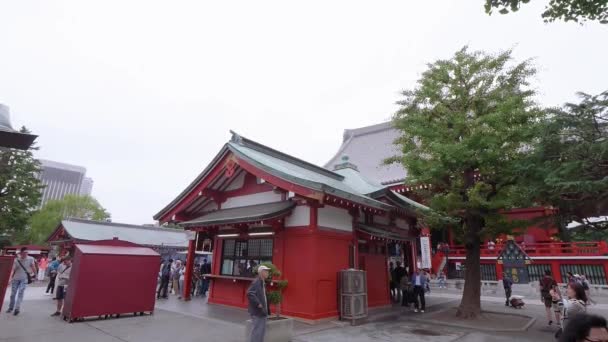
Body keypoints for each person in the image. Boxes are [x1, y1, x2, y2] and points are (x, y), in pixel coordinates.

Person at [6, 247, 36, 316]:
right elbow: (13, 270)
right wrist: (10, 279)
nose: (26, 254)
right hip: (15, 279)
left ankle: (17, 308)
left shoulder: (31, 259)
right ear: (21, 253)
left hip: (24, 279)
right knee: (13, 294)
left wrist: (35, 275)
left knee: (20, 292)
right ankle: (11, 307)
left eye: (27, 252)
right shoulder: (16, 260)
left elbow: (33, 267)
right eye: (24, 252)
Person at [247, 265, 270, 342]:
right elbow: (250, 293)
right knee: (257, 332)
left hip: (262, 312)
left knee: (261, 332)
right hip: (257, 312)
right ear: (261, 272)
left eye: (268, 271)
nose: (268, 273)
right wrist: (259, 304)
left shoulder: (262, 282)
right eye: (266, 271)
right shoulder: (257, 282)